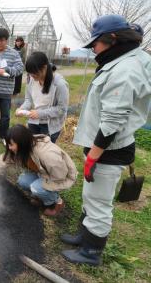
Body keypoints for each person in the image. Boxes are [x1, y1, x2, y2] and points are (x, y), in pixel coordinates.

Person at [61, 15, 151, 266]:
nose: (93, 50)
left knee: (99, 201)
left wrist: (93, 156)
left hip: (109, 149)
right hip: (102, 147)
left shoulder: (125, 69)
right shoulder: (123, 59)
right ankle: (84, 234)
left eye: (96, 45)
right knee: (91, 195)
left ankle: (91, 252)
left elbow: (113, 120)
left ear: (112, 39)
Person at [0, 124, 77, 216]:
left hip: (60, 177)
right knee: (22, 181)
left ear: (21, 142)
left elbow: (61, 176)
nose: (9, 147)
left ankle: (57, 203)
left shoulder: (47, 155)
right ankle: (41, 196)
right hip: (43, 174)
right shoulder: (21, 150)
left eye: (11, 144)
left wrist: (45, 185)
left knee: (36, 188)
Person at [16, 51, 69, 143]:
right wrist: (21, 109)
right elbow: (28, 100)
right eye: (30, 73)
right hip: (34, 122)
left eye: (35, 73)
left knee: (45, 153)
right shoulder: (31, 79)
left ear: (44, 68)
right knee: (32, 147)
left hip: (50, 126)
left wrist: (40, 113)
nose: (32, 76)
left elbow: (62, 109)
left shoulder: (59, 84)